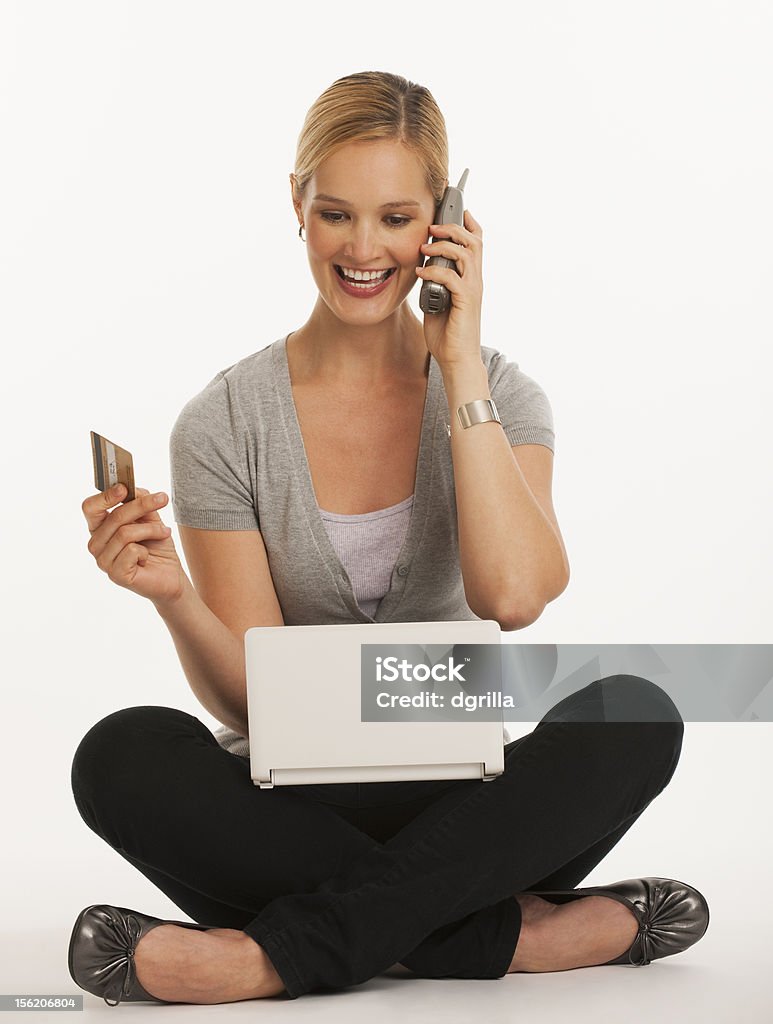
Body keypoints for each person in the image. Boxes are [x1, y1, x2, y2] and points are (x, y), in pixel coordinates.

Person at [68, 70, 709, 1006]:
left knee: (637, 711)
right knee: (119, 753)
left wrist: (457, 366)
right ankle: (510, 937)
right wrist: (174, 598)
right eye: (335, 215)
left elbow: (516, 597)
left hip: (464, 801)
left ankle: (266, 956)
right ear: (297, 205)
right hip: (285, 808)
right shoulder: (223, 422)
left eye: (397, 219)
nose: (364, 249)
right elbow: (250, 699)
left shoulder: (500, 394)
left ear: (443, 222)